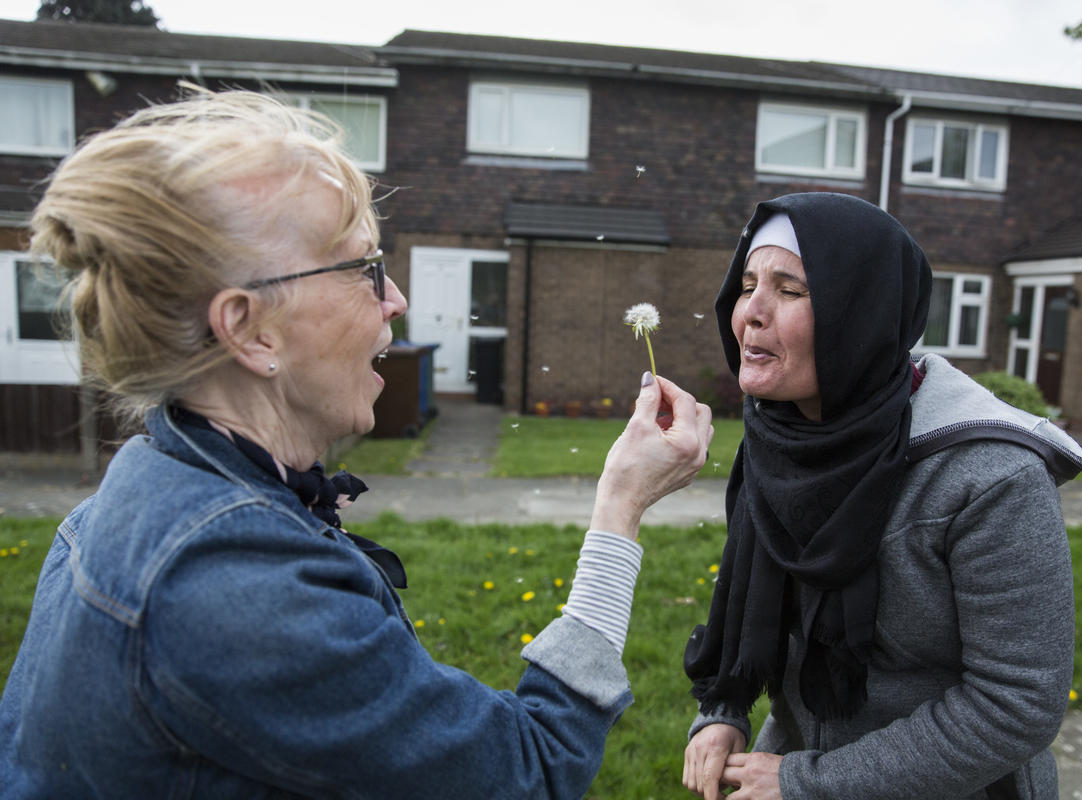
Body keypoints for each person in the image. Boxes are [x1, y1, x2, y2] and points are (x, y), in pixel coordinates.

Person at [0, 87, 713, 799]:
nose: (395, 298)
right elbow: (532, 768)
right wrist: (620, 508)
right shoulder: (237, 590)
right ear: (249, 329)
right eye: (362, 267)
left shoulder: (140, 495)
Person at [681, 193, 1082, 800]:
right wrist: (722, 710)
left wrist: (809, 784)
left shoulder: (991, 476)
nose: (750, 314)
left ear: (862, 311)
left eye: (791, 290)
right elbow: (748, 606)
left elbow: (1017, 704)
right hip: (791, 767)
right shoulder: (779, 439)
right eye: (746, 285)